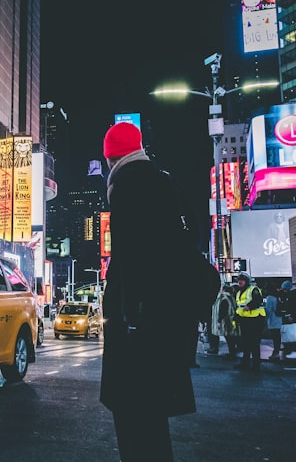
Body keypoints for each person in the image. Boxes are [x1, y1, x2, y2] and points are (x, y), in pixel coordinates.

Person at [98, 122, 219, 461]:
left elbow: (132, 260)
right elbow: (192, 235)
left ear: (110, 158)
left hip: (139, 327)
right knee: (152, 423)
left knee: (134, 422)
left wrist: (130, 315)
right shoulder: (164, 180)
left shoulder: (125, 185)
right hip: (165, 324)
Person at [234, 273, 266, 371]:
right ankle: (245, 363)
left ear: (247, 281)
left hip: (255, 319)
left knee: (254, 343)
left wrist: (250, 306)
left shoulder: (253, 289)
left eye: (242, 280)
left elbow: (258, 300)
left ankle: (256, 364)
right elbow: (239, 307)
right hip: (245, 320)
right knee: (245, 342)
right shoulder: (239, 292)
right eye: (239, 280)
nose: (240, 282)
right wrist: (236, 318)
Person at [210, 284, 240, 359]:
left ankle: (232, 354)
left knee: (229, 338)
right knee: (231, 337)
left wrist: (219, 321)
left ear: (223, 290)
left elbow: (222, 310)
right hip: (231, 319)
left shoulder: (223, 298)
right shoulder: (231, 297)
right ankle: (232, 352)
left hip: (226, 321)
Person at [279, 280, 296, 359]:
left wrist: (292, 316)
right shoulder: (292, 295)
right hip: (289, 317)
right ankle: (291, 350)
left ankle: (295, 351)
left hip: (292, 318)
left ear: (288, 288)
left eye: (285, 289)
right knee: (290, 335)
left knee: (293, 335)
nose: (284, 291)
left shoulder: (294, 296)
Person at [263, 282, 282, 360]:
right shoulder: (277, 297)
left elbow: (268, 311)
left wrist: (265, 319)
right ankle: (277, 351)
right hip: (279, 318)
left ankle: (275, 353)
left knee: (275, 337)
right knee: (278, 337)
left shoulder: (269, 298)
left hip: (273, 319)